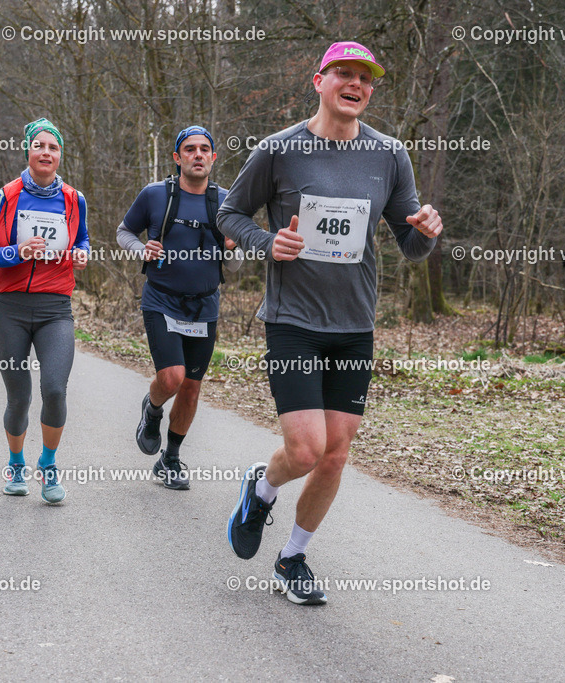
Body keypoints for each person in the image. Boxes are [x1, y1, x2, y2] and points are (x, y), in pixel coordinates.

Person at [219, 41, 443, 605]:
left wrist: (426, 232)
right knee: (306, 450)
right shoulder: (278, 151)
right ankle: (260, 489)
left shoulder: (389, 154)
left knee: (337, 453)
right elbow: (228, 213)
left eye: (365, 78)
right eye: (343, 73)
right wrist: (270, 244)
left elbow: (409, 243)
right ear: (318, 80)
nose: (355, 84)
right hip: (292, 320)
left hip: (354, 324)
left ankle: (293, 556)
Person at [0, 118, 89, 503]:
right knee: (19, 397)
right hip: (10, 309)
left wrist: (82, 252)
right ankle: (17, 463)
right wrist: (15, 252)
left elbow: (82, 237)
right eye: (39, 145)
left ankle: (49, 465)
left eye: (53, 148)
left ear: (60, 155)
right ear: (28, 150)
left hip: (56, 308)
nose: (46, 153)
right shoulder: (7, 196)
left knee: (54, 390)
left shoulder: (74, 199)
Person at [118, 125, 243, 490]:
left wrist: (234, 248)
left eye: (205, 149)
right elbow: (123, 232)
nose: (198, 155)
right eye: (190, 149)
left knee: (190, 387)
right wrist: (141, 250)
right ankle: (152, 408)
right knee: (171, 377)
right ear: (177, 158)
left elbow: (234, 266)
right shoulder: (155, 195)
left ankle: (170, 459)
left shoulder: (226, 202)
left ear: (214, 157)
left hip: (204, 306)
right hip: (161, 300)